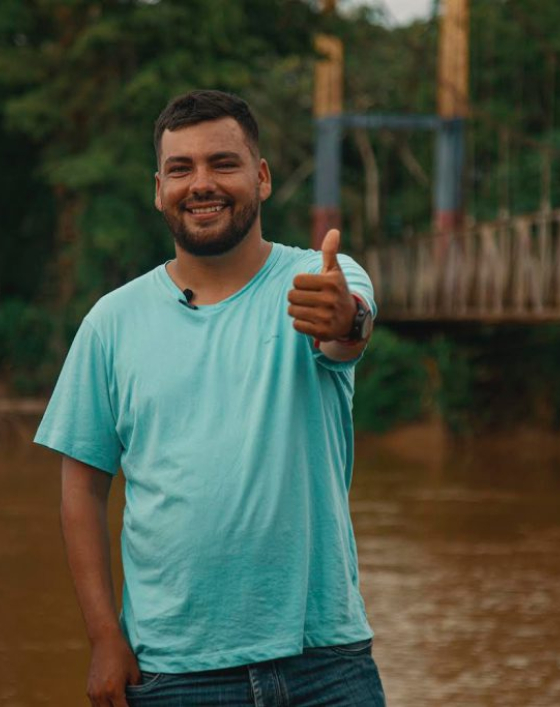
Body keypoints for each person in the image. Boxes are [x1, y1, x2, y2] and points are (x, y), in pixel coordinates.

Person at [34, 89, 385, 707]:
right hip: (173, 674)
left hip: (324, 666)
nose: (201, 184)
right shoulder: (111, 323)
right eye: (181, 168)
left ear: (262, 177)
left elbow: (347, 325)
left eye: (223, 163)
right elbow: (82, 490)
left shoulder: (318, 279)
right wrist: (103, 638)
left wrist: (345, 317)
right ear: (159, 189)